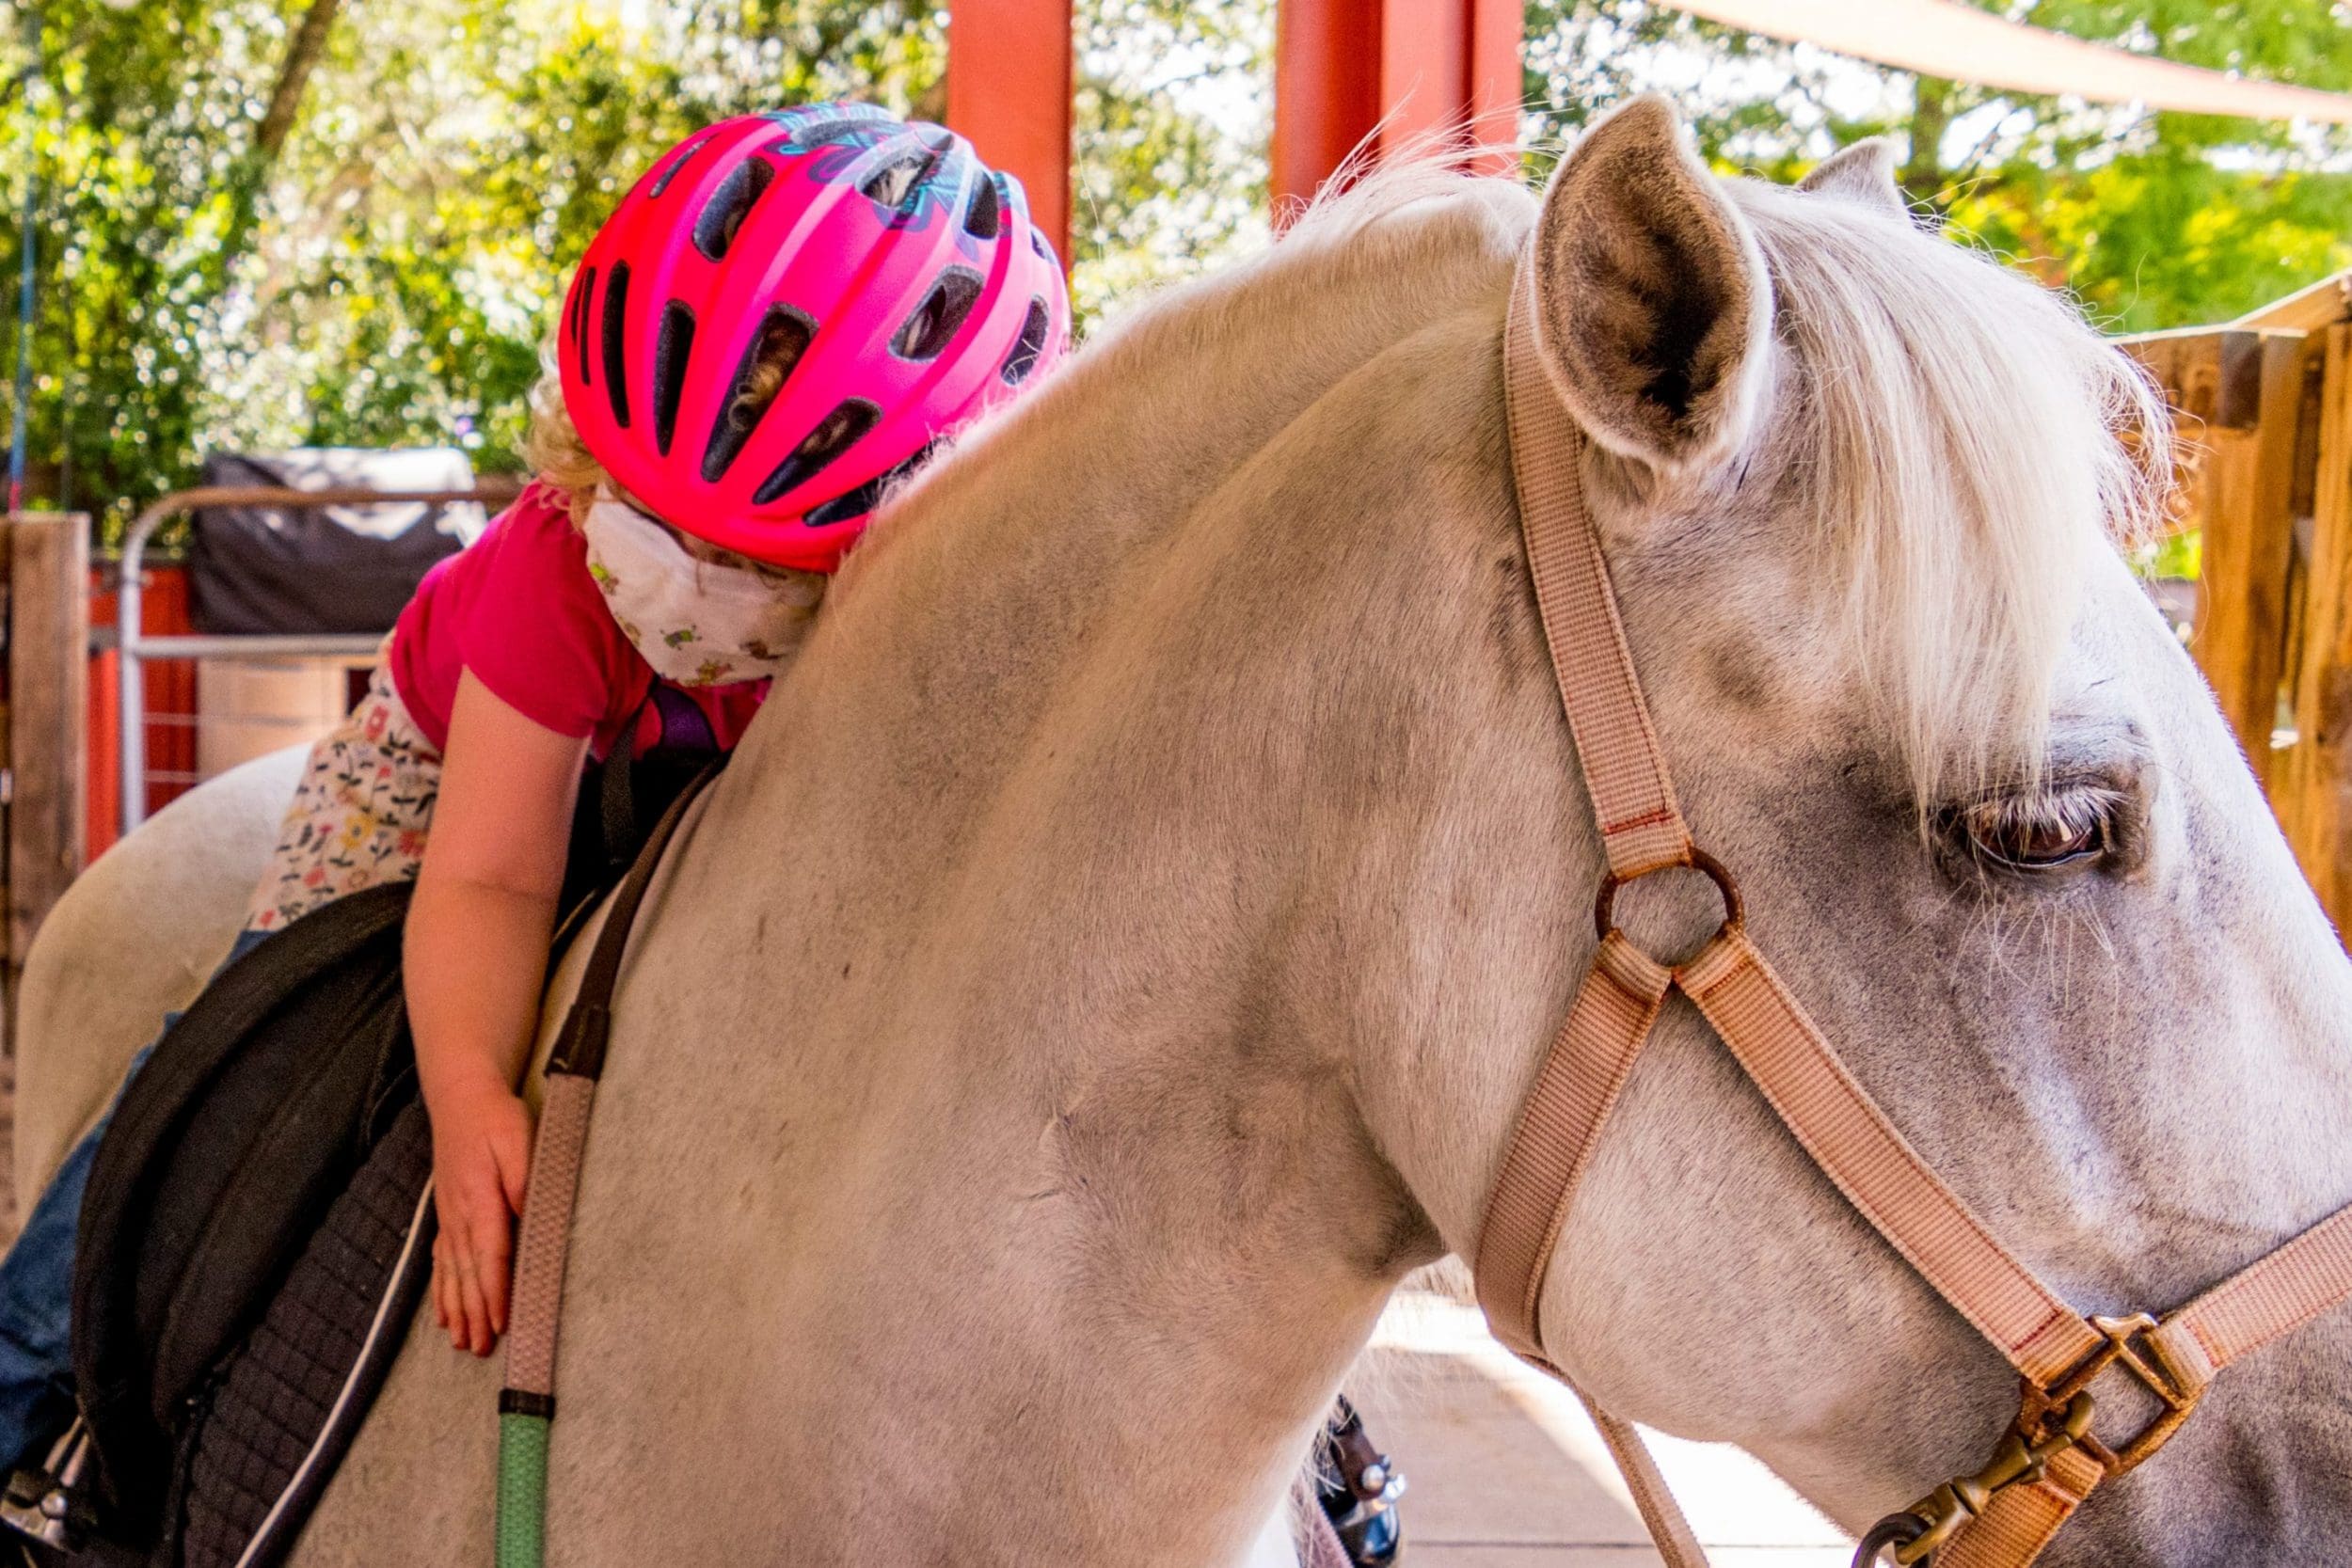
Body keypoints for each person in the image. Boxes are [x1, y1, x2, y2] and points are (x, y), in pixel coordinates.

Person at [0, 102, 1071, 1479]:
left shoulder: (924, 627)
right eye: (657, 524)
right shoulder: (557, 564)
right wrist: (466, 1100)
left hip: (697, 785)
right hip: (439, 776)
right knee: (246, 1050)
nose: (682, 588)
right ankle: (26, 1359)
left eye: (757, 568)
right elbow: (493, 874)